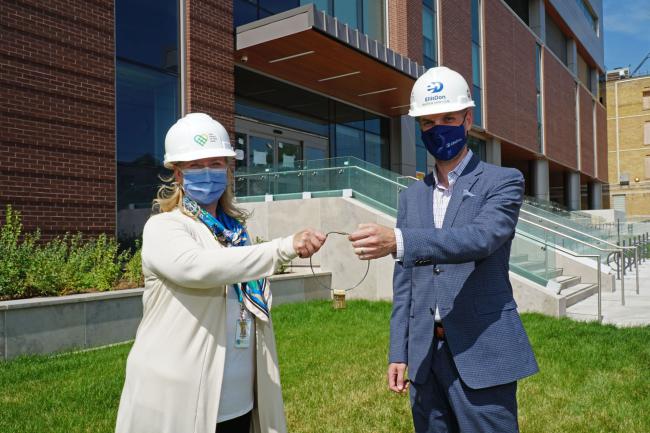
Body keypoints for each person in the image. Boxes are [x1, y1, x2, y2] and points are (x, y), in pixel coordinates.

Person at [348, 67, 538, 433]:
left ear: (468, 120)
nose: (438, 129)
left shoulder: (504, 181)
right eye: (428, 123)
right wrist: (398, 351)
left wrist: (399, 241)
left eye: (448, 118)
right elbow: (405, 284)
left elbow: (480, 239)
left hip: (482, 349)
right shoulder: (411, 197)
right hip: (424, 357)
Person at [115, 113, 326, 433]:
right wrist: (282, 248)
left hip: (239, 403)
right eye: (196, 165)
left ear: (228, 170)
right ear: (178, 175)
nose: (208, 173)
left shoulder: (234, 233)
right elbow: (197, 268)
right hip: (179, 401)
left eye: (216, 163)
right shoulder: (164, 227)